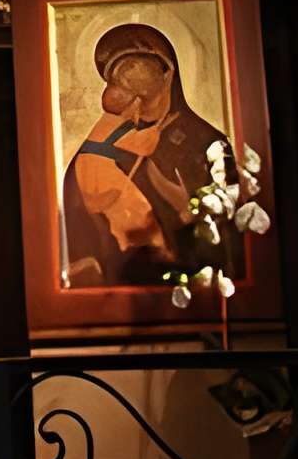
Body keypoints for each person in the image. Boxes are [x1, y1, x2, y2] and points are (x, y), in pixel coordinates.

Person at [61, 21, 235, 288]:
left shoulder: (205, 142)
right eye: (128, 95)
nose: (138, 107)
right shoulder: (106, 141)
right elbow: (76, 208)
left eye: (146, 95)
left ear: (168, 77)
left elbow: (225, 228)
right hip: (118, 286)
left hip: (190, 285)